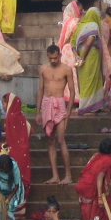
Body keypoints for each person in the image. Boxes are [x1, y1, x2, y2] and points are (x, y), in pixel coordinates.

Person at [37, 43, 75, 185]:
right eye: (50, 58)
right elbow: (40, 90)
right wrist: (38, 111)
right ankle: (55, 176)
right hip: (47, 103)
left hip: (59, 104)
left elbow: (72, 92)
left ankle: (68, 176)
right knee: (50, 141)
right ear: (48, 56)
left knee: (61, 139)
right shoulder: (43, 69)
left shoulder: (66, 69)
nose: (53, 61)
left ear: (59, 55)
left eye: (55, 58)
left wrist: (68, 112)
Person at [75, 138, 111, 220]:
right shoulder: (109, 160)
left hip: (82, 185)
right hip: (92, 188)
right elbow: (99, 177)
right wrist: (100, 198)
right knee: (97, 211)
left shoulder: (95, 156)